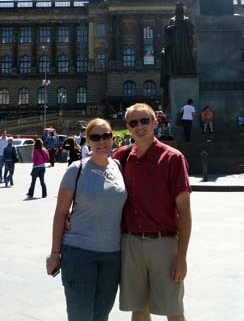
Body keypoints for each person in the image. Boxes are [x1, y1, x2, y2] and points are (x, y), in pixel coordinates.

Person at [113, 103, 192, 321]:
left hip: (163, 244)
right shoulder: (121, 157)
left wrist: (181, 257)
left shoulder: (172, 158)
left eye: (145, 120)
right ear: (128, 127)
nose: (140, 126)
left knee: (173, 309)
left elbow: (184, 212)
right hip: (130, 243)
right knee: (138, 309)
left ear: (155, 122)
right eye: (133, 122)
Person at [46, 118, 127, 321]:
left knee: (102, 315)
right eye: (95, 137)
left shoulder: (118, 166)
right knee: (80, 316)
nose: (102, 141)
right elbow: (61, 212)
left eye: (106, 136)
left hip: (112, 255)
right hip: (79, 254)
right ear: (87, 140)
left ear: (113, 138)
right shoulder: (76, 169)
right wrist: (55, 254)